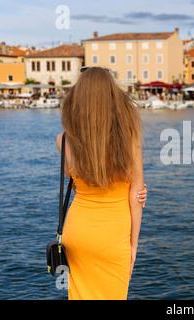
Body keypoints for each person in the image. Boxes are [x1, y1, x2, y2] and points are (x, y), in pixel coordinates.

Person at [56, 67, 147, 300]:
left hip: (78, 233)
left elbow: (77, 186)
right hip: (113, 235)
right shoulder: (129, 136)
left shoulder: (63, 140)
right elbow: (136, 194)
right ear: (113, 97)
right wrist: (133, 244)